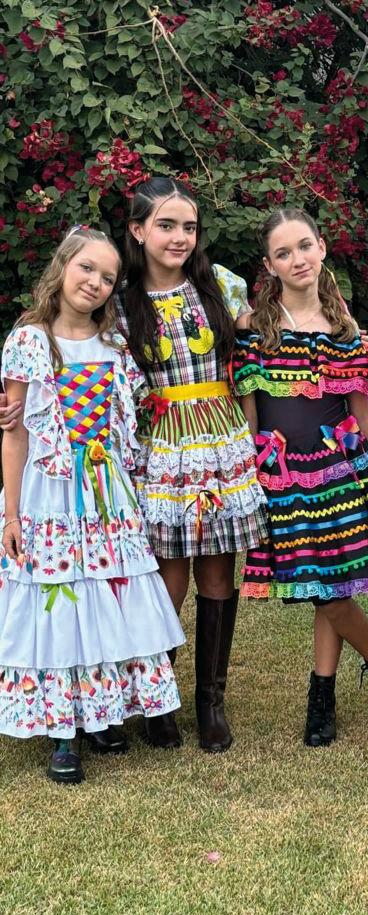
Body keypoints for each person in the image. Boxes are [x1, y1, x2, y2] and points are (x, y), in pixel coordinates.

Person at [0, 227, 184, 783]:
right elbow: (15, 434)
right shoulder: (28, 342)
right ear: (62, 268)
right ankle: (62, 730)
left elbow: (122, 424)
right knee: (58, 599)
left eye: (108, 277)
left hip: (105, 492)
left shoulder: (113, 347)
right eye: (87, 269)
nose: (96, 283)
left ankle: (102, 713)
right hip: (48, 491)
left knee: (107, 598)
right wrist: (12, 515)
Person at [231, 208, 368, 747]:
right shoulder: (255, 329)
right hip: (282, 473)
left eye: (304, 246)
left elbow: (362, 409)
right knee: (325, 588)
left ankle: (323, 692)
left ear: (321, 248)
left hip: (341, 470)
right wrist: (252, 473)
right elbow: (251, 410)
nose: (297, 259)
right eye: (283, 252)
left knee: (333, 587)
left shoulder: (343, 329)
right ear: (270, 265)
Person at [121, 177, 268, 752]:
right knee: (167, 577)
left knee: (216, 572)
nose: (180, 236)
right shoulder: (121, 301)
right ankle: (158, 698)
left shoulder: (222, 288)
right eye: (166, 225)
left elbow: (277, 333)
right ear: (137, 230)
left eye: (188, 226)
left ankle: (211, 700)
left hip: (220, 440)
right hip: (160, 444)